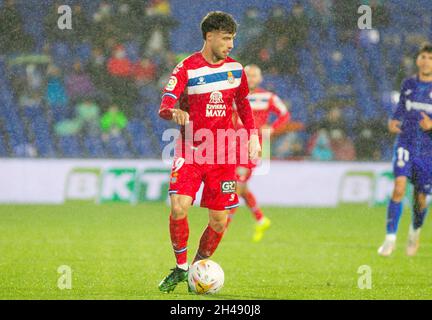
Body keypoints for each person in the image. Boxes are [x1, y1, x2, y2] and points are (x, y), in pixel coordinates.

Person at [157, 11, 261, 293]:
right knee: (179, 208)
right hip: (191, 150)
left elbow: (243, 104)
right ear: (210, 36)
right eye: (226, 39)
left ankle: (196, 270)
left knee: (219, 220)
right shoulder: (186, 68)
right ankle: (180, 268)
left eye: (233, 39)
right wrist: (174, 111)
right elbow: (165, 104)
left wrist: (252, 137)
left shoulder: (236, 70)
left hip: (223, 155)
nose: (230, 44)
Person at [378, 43, 432, 257]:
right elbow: (400, 107)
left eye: (429, 57)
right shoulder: (408, 84)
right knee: (399, 187)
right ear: (417, 60)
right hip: (406, 143)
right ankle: (389, 239)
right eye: (422, 57)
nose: (425, 60)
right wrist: (393, 120)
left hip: (428, 151)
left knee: (420, 199)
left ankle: (414, 231)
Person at [228, 64, 290, 242]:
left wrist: (273, 127)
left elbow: (284, 114)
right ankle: (261, 219)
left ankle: (224, 225)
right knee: (241, 185)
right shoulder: (234, 96)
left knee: (237, 187)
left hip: (252, 147)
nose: (251, 78)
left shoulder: (268, 97)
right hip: (233, 145)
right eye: (248, 75)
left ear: (260, 79)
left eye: (255, 76)